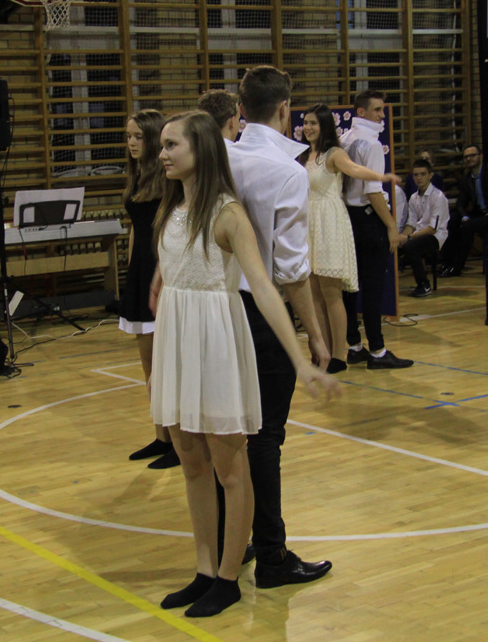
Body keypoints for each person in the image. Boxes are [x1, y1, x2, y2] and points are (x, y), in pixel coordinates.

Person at [149, 111, 338, 617]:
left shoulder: (228, 213)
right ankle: (204, 570)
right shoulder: (171, 209)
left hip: (216, 343)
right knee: (193, 465)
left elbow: (267, 290)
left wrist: (301, 357)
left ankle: (229, 578)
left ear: (201, 149)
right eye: (162, 145)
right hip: (179, 340)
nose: (162, 154)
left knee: (231, 468)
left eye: (171, 145)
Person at [209, 65, 334, 589]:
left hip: (215, 309)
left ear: (240, 110)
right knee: (264, 438)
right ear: (285, 109)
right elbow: (291, 269)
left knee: (225, 435)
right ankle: (272, 555)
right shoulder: (287, 171)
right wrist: (316, 335)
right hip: (259, 314)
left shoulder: (219, 155)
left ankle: (230, 545)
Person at [299, 103, 401, 374]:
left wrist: (381, 176)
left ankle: (339, 356)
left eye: (313, 123)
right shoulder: (304, 155)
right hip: (309, 225)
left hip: (330, 223)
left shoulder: (335, 153)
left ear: (324, 125)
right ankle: (322, 352)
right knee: (314, 295)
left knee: (331, 293)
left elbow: (356, 170)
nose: (308, 127)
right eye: (306, 122)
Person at [120, 110, 180, 469]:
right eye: (129, 136)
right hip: (140, 271)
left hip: (164, 270)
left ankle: (180, 444)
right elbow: (135, 228)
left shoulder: (170, 181)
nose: (132, 142)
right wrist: (130, 270)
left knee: (167, 366)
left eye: (138, 136)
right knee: (149, 366)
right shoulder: (137, 175)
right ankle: (161, 436)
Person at [340, 90, 413, 369]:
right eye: (377, 110)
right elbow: (372, 191)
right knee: (372, 288)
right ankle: (378, 352)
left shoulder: (344, 139)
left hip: (349, 219)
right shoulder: (371, 144)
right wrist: (392, 226)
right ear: (361, 112)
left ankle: (354, 346)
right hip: (369, 220)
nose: (383, 115)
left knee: (351, 287)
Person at [441, 144, 488, 277]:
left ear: (481, 156)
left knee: (468, 226)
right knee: (453, 220)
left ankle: (457, 267)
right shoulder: (467, 179)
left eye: (472, 155)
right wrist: (464, 216)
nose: (469, 159)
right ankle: (446, 263)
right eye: (466, 157)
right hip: (482, 214)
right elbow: (461, 203)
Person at [400, 158, 450, 298]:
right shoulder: (413, 198)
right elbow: (411, 223)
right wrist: (402, 237)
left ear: (430, 175)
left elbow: (432, 228)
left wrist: (408, 237)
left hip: (436, 236)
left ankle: (424, 284)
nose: (419, 178)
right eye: (416, 175)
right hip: (419, 234)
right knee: (395, 244)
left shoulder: (438, 196)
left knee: (410, 246)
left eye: (422, 174)